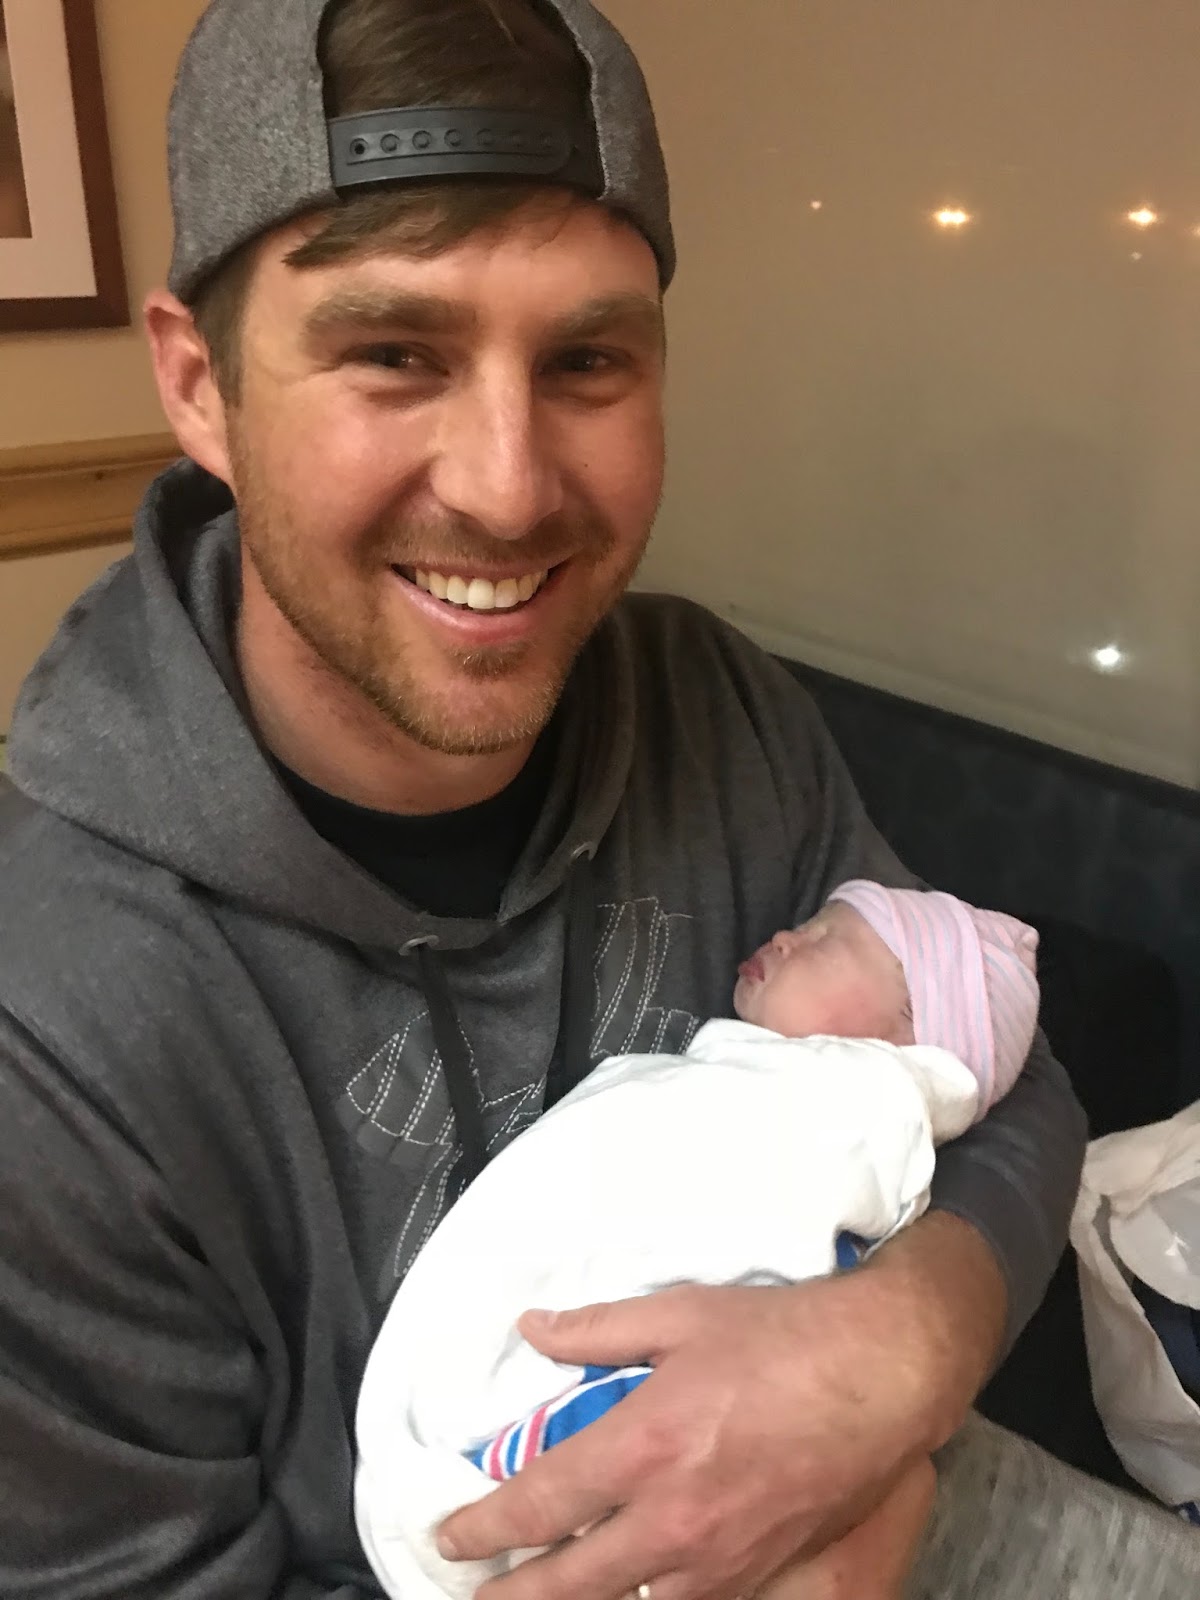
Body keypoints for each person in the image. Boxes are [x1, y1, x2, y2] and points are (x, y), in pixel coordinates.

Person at [0, 1, 1194, 1596]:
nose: (507, 487)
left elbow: (1003, 1074)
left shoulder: (712, 705)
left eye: (584, 361)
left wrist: (903, 1351)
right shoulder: (51, 1020)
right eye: (394, 355)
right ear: (200, 384)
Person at [352, 881, 1042, 1600]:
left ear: (916, 1025)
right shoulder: (772, 1080)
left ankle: (508, 1465)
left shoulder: (858, 1104)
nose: (787, 937)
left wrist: (914, 1332)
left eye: (826, 938)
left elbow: (1034, 1095)